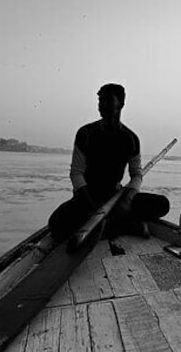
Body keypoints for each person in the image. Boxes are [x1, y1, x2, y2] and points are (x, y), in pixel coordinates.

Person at [48, 83, 170, 241]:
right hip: (86, 196)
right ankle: (123, 225)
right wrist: (88, 203)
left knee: (162, 204)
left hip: (116, 196)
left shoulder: (130, 139)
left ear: (121, 103)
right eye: (100, 101)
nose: (101, 106)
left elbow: (136, 175)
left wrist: (128, 198)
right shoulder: (86, 134)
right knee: (55, 224)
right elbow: (76, 172)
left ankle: (114, 223)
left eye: (107, 101)